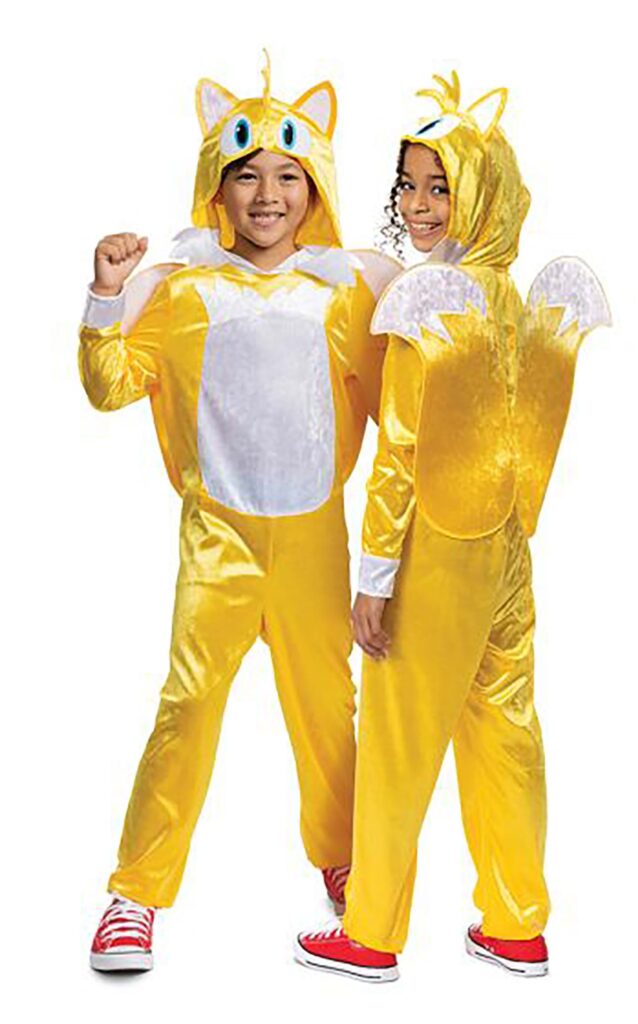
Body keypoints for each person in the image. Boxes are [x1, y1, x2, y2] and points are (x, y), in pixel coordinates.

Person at [80, 56, 399, 972]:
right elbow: (109, 386)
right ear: (216, 188)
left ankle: (346, 860)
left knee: (328, 711)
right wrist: (106, 295)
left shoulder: (343, 293)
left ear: (315, 188)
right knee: (187, 707)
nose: (267, 195)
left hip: (313, 540)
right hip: (216, 540)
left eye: (288, 176)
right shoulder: (181, 290)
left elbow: (400, 413)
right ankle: (135, 893)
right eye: (246, 174)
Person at [295, 71, 610, 983]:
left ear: (483, 193)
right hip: (506, 551)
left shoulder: (428, 304)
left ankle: (370, 931)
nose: (419, 205)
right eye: (409, 185)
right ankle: (515, 921)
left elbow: (398, 452)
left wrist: (373, 577)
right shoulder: (519, 301)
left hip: (433, 550)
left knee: (399, 738)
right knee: (505, 730)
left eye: (441, 186)